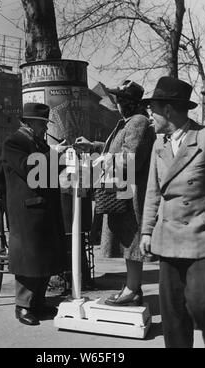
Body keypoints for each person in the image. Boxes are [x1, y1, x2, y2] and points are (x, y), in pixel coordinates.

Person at [140, 76, 205, 348]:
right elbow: (153, 192)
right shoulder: (160, 145)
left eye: (153, 109)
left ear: (168, 110)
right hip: (168, 242)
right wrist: (146, 231)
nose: (150, 116)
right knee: (173, 318)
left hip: (203, 242)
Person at [75, 80, 155, 306]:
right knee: (128, 241)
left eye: (119, 99)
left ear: (128, 103)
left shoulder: (137, 122)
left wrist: (100, 160)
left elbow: (131, 158)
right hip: (122, 189)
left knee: (131, 241)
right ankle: (132, 287)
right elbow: (119, 149)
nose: (117, 103)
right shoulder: (129, 122)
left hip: (129, 193)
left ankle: (132, 289)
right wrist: (95, 146)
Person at [2, 102, 68, 326]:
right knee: (28, 258)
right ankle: (22, 306)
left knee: (44, 257)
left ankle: (38, 303)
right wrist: (54, 157)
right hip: (27, 210)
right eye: (41, 124)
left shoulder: (40, 144)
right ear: (28, 123)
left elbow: (48, 172)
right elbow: (29, 169)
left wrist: (63, 158)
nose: (44, 129)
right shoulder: (14, 143)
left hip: (44, 207)